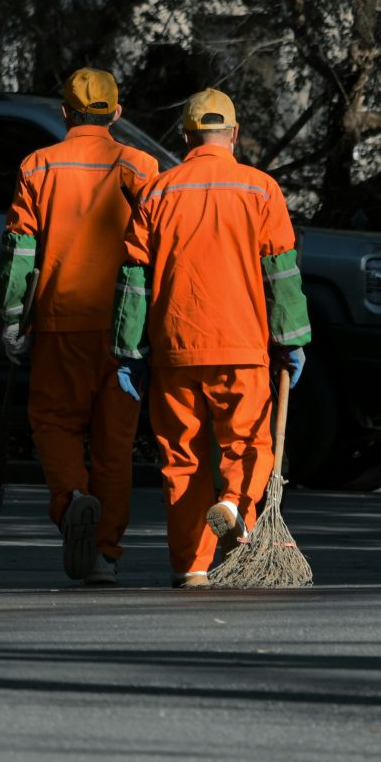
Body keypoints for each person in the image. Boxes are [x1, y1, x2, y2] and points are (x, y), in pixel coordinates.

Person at [110, 89, 310, 588]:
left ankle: (191, 567)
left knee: (182, 458)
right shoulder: (260, 189)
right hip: (242, 345)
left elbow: (134, 276)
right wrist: (292, 339)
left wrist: (128, 349)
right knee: (247, 441)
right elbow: (281, 273)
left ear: (185, 136)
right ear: (235, 134)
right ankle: (236, 504)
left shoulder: (157, 192)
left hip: (174, 347)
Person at [0, 68, 160, 587]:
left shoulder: (38, 166)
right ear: (115, 113)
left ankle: (70, 500)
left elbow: (20, 251)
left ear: (65, 113)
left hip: (60, 322)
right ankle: (105, 553)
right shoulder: (141, 165)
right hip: (124, 325)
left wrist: (11, 317)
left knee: (54, 424)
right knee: (115, 442)